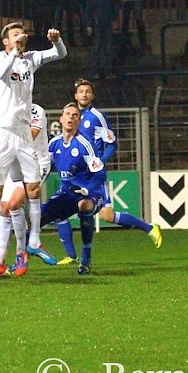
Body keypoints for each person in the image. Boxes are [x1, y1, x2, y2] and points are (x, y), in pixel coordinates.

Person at [0, 22, 67, 277]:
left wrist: (56, 40)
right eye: (14, 35)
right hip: (2, 132)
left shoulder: (30, 59)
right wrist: (13, 53)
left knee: (33, 188)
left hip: (22, 134)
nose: (20, 38)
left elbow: (59, 54)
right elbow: (0, 75)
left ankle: (34, 240)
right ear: (5, 41)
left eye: (22, 34)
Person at [70, 79, 162, 261]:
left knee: (106, 215)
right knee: (81, 211)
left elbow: (112, 144)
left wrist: (101, 162)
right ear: (75, 95)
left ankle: (149, 228)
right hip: (76, 174)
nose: (84, 94)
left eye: (88, 91)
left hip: (94, 176)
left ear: (92, 96)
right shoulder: (72, 117)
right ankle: (71, 255)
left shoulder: (97, 117)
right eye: (81, 91)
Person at [41, 103, 106, 275]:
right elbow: (43, 169)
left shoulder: (85, 144)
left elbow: (100, 173)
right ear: (61, 120)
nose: (71, 117)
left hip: (92, 193)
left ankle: (86, 257)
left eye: (75, 115)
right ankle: (21, 260)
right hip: (67, 194)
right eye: (67, 114)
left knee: (84, 205)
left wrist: (88, 189)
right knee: (35, 219)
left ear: (79, 121)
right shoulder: (53, 145)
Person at [0, 103, 57, 276]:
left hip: (36, 162)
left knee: (15, 204)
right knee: (5, 208)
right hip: (13, 163)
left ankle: (23, 252)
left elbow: (29, 137)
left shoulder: (36, 110)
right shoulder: (4, 110)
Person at [83, 0, 119, 79]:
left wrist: (113, 19)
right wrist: (89, 25)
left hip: (107, 26)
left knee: (108, 49)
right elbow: (88, 12)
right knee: (96, 50)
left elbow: (114, 10)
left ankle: (108, 72)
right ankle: (95, 72)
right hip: (97, 26)